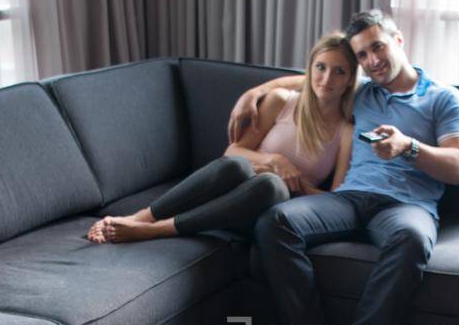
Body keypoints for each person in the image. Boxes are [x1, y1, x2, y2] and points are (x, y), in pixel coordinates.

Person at [227, 9, 459, 325]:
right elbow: (307, 78)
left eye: (377, 47)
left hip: (405, 206)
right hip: (347, 199)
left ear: (399, 41)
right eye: (362, 55)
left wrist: (408, 148)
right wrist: (250, 94)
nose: (372, 60)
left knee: (412, 239)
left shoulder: (444, 99)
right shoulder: (360, 89)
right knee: (275, 222)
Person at [86, 33, 358, 245]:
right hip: (232, 189)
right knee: (236, 165)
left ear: (350, 80)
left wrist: (294, 182)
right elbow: (233, 151)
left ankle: (155, 231)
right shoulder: (281, 102)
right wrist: (274, 160)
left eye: (339, 71)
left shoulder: (345, 131)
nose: (326, 78)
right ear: (309, 70)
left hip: (268, 207)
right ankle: (139, 218)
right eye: (320, 67)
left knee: (271, 186)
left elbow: (335, 199)